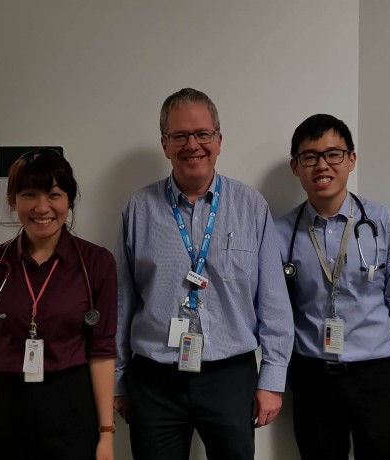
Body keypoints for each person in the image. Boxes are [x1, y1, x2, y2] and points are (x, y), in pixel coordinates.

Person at [113, 88, 294, 460]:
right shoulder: (138, 209)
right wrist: (118, 379)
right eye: (179, 136)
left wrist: (273, 380)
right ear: (164, 144)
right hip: (154, 380)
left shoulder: (250, 206)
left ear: (219, 140)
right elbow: (122, 300)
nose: (191, 145)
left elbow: (274, 301)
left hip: (230, 376)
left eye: (202, 134)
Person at [276, 114, 390, 460]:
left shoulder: (385, 223)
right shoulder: (281, 232)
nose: (322, 166)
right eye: (310, 157)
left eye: (333, 154)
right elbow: (276, 314)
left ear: (352, 159)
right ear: (295, 167)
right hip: (312, 378)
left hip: (375, 375)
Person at [0, 149, 117, 460]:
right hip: (3, 410)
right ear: (13, 200)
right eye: (29, 194)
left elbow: (101, 353)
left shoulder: (96, 264)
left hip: (71, 408)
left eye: (54, 194)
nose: (42, 207)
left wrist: (106, 436)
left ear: (69, 201)